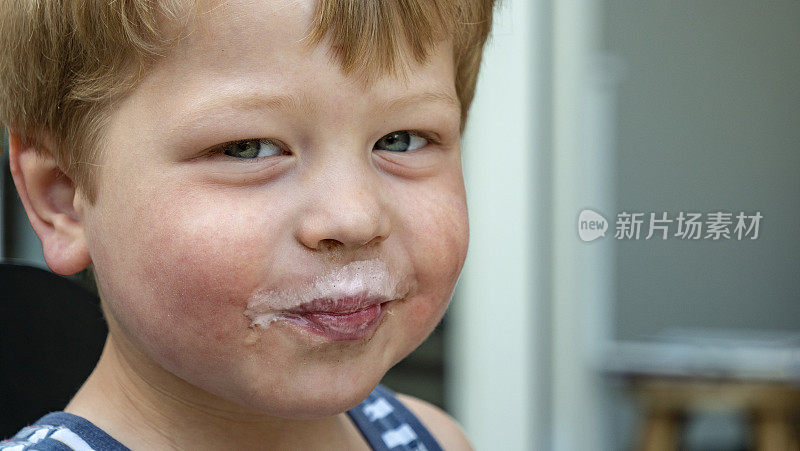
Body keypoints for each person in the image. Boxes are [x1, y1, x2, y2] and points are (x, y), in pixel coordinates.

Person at [0, 0, 496, 449]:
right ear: (62, 198)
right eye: (248, 148)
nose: (356, 218)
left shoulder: (433, 439)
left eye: (402, 139)